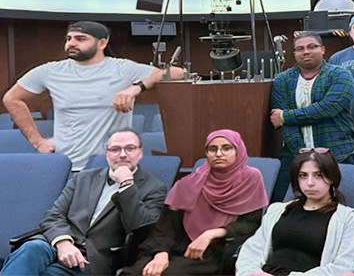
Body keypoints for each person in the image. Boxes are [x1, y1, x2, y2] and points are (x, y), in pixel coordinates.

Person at [2, 20, 184, 170]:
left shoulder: (122, 68)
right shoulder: (50, 71)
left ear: (102, 43)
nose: (72, 43)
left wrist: (136, 88)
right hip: (68, 166)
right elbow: (12, 98)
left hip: (113, 166)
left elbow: (177, 73)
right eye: (69, 38)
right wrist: (38, 142)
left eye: (81, 39)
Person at [0, 130, 167, 276]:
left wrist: (126, 186)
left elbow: (142, 230)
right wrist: (62, 242)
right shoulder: (83, 178)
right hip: (58, 243)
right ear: (107, 153)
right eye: (115, 149)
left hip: (91, 258)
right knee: (31, 248)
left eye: (130, 148)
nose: (122, 154)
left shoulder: (154, 187)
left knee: (46, 273)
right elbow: (53, 216)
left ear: (140, 152)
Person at [120, 129, 268, 276]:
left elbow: (251, 224)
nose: (218, 154)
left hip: (216, 251)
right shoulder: (188, 183)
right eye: (212, 149)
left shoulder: (250, 178)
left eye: (227, 148)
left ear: (238, 151)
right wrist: (161, 253)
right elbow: (165, 228)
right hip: (175, 247)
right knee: (134, 273)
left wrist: (211, 234)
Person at [236, 148, 354, 276]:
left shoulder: (348, 220)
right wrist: (251, 273)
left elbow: (343, 267)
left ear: (332, 177)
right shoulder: (277, 211)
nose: (310, 183)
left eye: (318, 175)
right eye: (303, 175)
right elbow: (251, 250)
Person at [270, 31, 354, 202]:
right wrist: (303, 153)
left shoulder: (340, 75)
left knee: (337, 204)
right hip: (294, 155)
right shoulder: (282, 80)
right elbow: (281, 123)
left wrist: (286, 116)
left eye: (312, 47)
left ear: (323, 49)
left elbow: (328, 109)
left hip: (337, 152)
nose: (306, 52)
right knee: (279, 204)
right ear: (294, 54)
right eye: (300, 49)